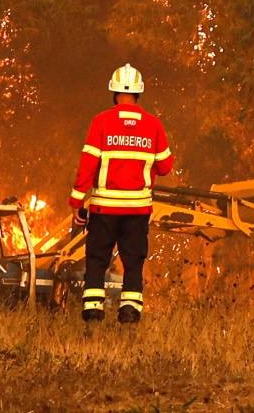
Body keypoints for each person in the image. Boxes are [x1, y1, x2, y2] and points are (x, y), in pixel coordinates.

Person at [68, 64, 173, 324]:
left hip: (104, 208)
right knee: (133, 260)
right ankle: (130, 311)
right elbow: (166, 166)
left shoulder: (101, 122)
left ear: (114, 92)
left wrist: (76, 201)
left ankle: (93, 311)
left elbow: (88, 165)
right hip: (137, 210)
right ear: (139, 93)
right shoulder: (154, 125)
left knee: (96, 258)